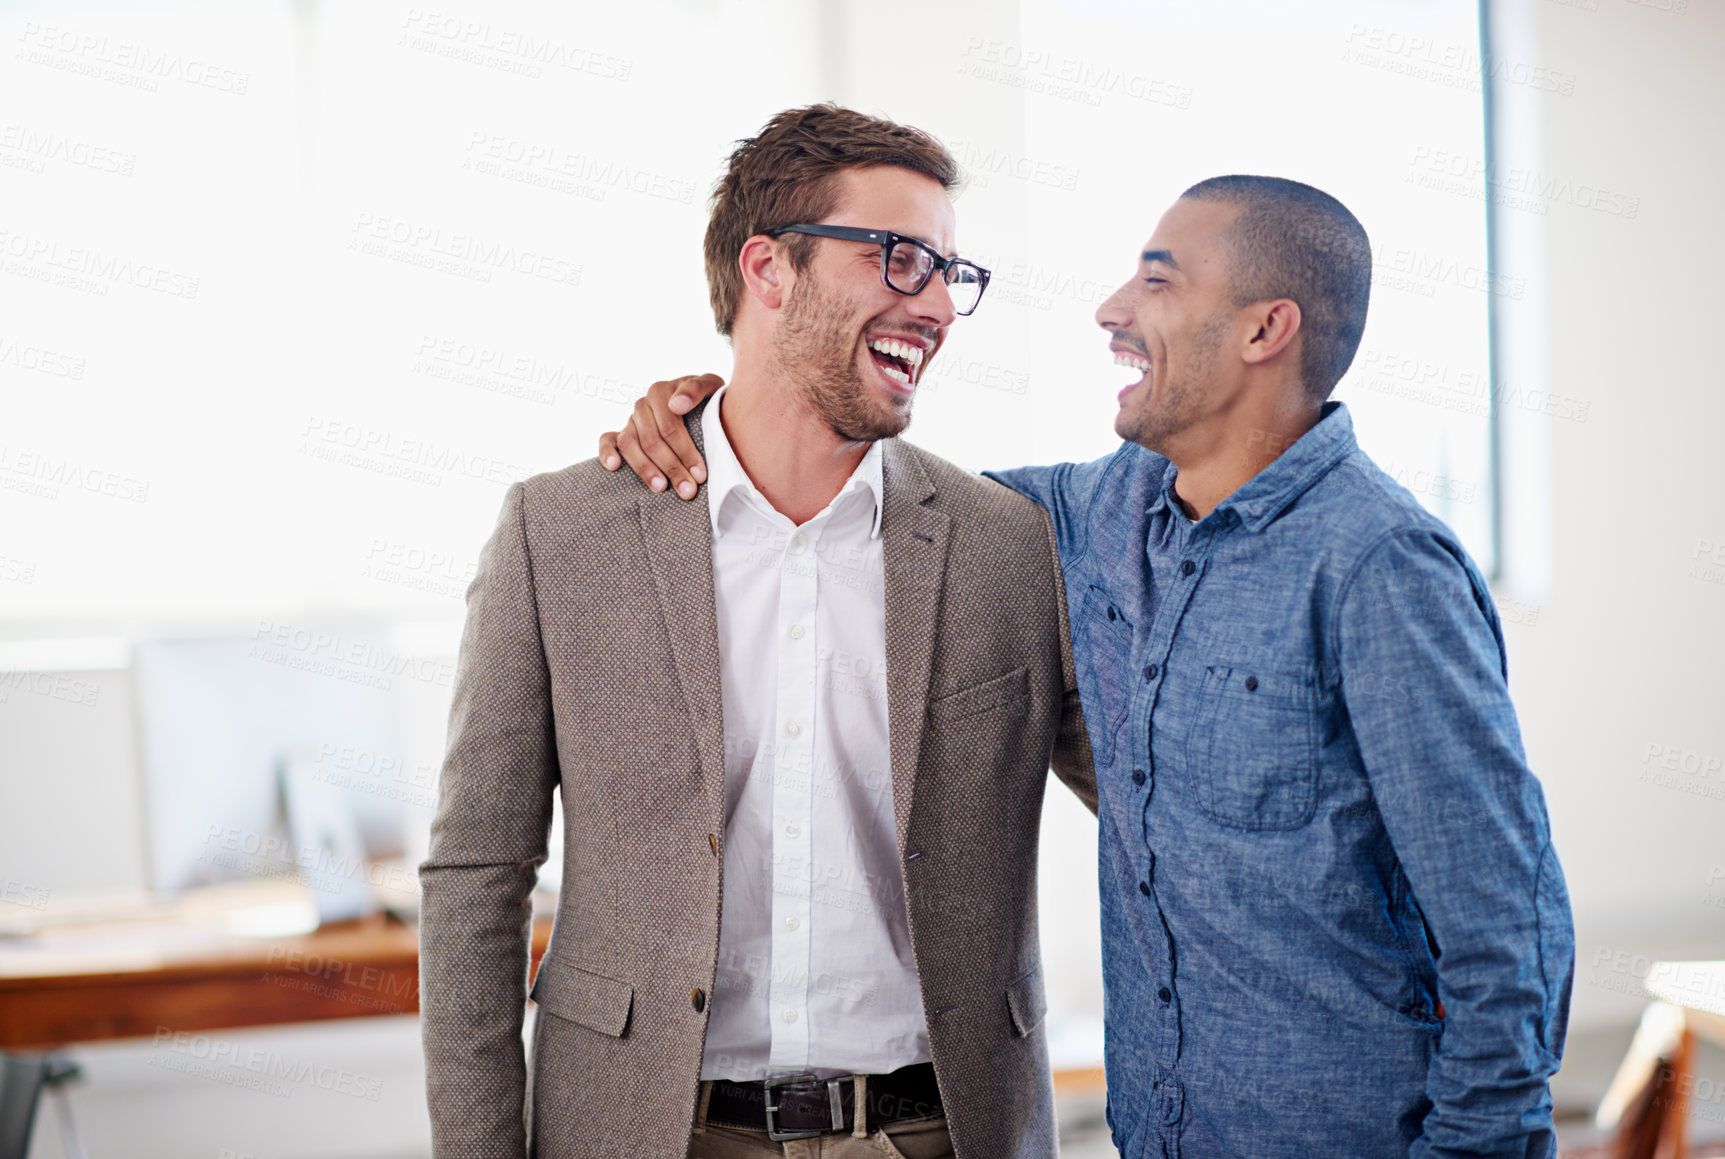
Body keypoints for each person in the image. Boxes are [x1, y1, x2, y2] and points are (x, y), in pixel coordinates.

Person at [603, 175, 1575, 1158]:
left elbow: (1509, 941)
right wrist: (722, 422)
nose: (1112, 309)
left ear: (1262, 330)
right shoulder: (1097, 519)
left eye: (1157, 281)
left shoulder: (1381, 566)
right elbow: (889, 507)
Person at [419, 103, 1095, 1159]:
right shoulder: (559, 535)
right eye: (901, 259)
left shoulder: (1010, 547)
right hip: (652, 1131)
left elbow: (1160, 813)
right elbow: (476, 874)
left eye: (950, 275)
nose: (938, 308)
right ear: (770, 269)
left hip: (935, 1132)